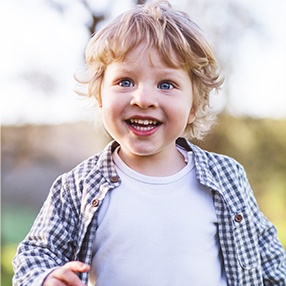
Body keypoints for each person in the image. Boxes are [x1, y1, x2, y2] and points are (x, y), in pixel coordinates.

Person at [13, 1, 285, 285]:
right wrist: (46, 279)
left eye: (166, 84)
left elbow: (269, 260)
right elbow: (35, 256)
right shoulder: (77, 188)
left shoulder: (226, 177)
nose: (143, 99)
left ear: (194, 104)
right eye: (125, 81)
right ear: (100, 96)